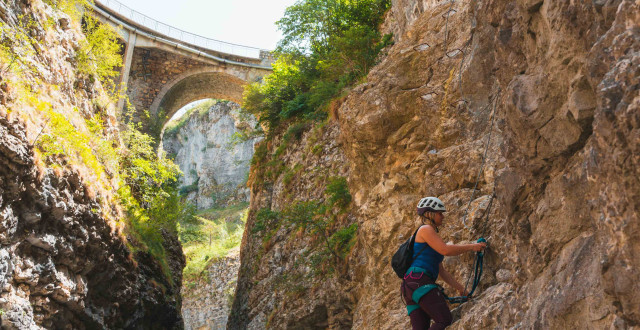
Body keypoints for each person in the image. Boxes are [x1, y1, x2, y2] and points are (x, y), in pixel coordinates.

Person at [401, 196, 487, 330]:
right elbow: (446, 250)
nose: (442, 216)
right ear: (429, 214)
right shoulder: (426, 229)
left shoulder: (429, 237)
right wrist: (472, 246)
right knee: (444, 320)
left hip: (410, 286)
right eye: (439, 213)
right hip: (420, 281)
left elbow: (441, 272)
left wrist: (460, 288)